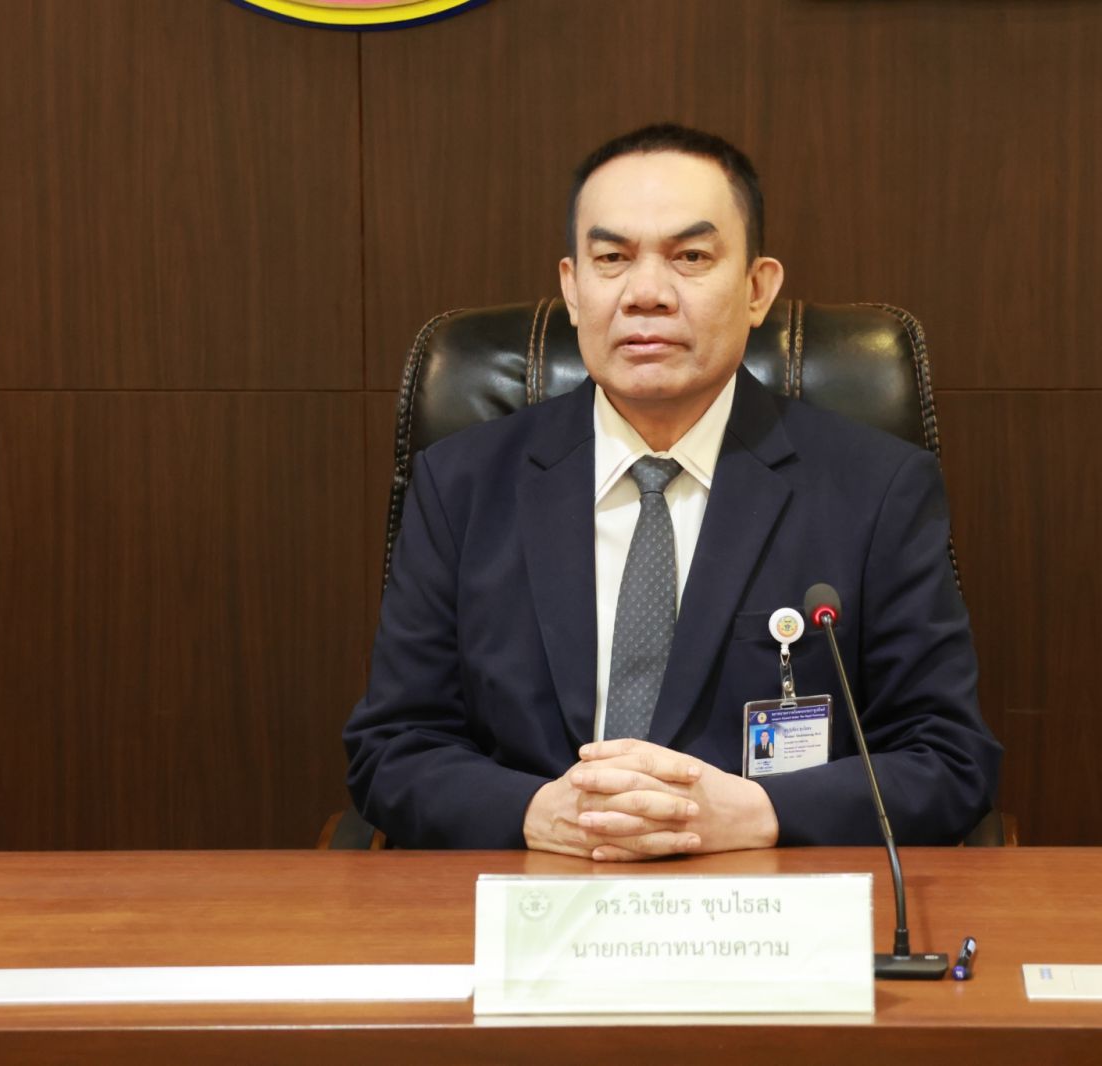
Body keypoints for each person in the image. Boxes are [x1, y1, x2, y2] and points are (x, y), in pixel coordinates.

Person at [345, 124, 1000, 861]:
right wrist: (536, 813)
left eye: (691, 257)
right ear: (572, 288)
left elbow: (949, 758)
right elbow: (393, 747)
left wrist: (759, 812)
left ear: (758, 289)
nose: (647, 294)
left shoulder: (873, 490)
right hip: (534, 895)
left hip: (762, 903)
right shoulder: (462, 486)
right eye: (612, 259)